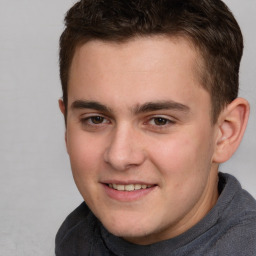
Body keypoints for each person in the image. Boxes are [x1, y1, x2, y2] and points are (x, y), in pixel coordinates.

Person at [55, 0, 256, 255]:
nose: (119, 156)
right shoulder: (77, 235)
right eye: (96, 119)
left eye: (159, 120)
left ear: (225, 133)